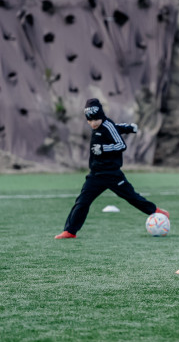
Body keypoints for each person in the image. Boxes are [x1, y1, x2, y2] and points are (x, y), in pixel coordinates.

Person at [54, 98, 169, 239]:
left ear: (101, 116)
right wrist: (128, 128)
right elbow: (117, 127)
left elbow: (121, 145)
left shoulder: (107, 126)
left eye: (95, 120)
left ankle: (157, 211)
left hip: (112, 174)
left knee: (132, 197)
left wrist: (103, 148)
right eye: (89, 121)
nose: (92, 123)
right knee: (82, 201)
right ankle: (70, 231)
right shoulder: (99, 126)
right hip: (96, 175)